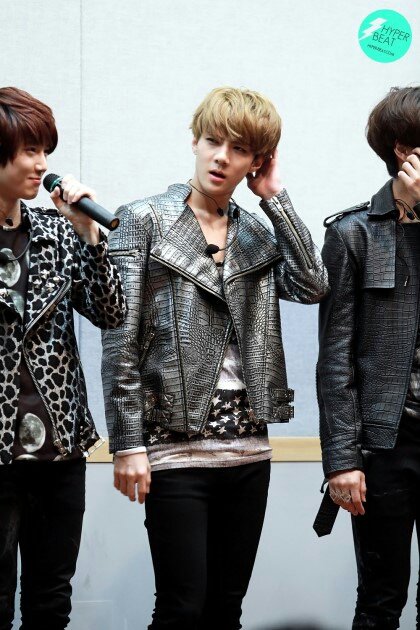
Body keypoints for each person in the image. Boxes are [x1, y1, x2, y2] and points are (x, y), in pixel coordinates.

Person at [102, 86, 328, 630]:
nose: (221, 157)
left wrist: (275, 198)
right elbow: (119, 341)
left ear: (256, 161)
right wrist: (127, 443)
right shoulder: (144, 219)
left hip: (248, 449)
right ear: (195, 141)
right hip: (174, 447)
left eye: (239, 149)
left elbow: (313, 285)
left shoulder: (254, 232)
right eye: (212, 141)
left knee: (227, 609)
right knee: (181, 608)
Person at [0, 86, 125, 630]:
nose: (41, 165)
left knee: (51, 601)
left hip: (59, 450)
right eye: (29, 150)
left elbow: (112, 311)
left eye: (44, 151)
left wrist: (88, 234)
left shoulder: (54, 232)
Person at [316, 86, 420, 629]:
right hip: (385, 446)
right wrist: (341, 459)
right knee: (380, 600)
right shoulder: (352, 233)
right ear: (405, 150)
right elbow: (335, 359)